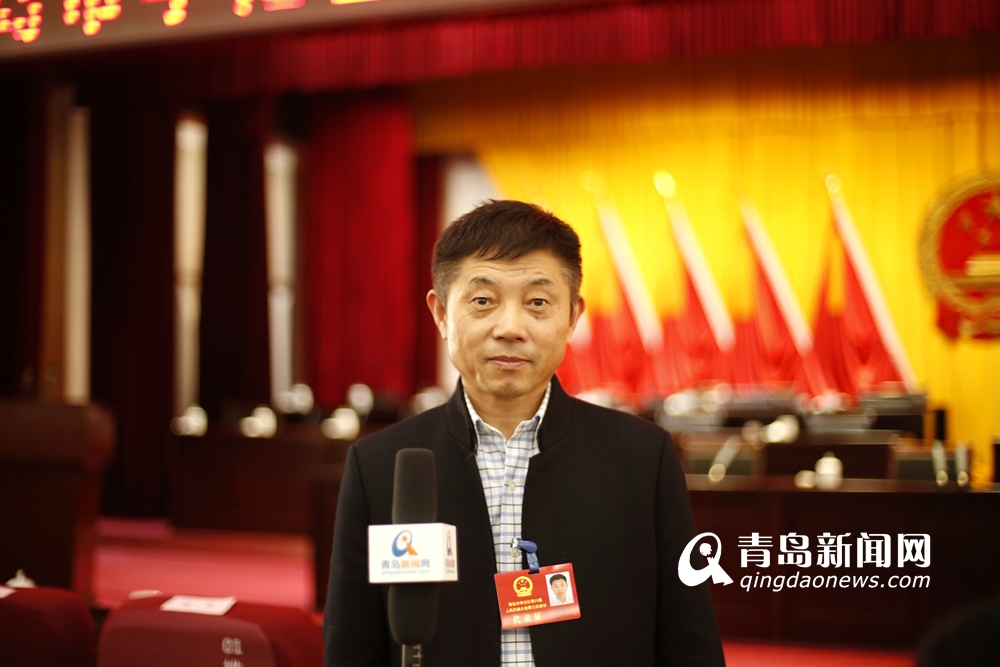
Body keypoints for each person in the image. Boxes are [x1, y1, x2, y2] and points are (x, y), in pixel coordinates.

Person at [324, 200, 725, 667]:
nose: (510, 328)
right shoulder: (381, 464)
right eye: (483, 301)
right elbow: (351, 646)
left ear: (572, 316)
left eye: (537, 302)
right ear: (441, 314)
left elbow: (688, 638)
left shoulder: (642, 457)